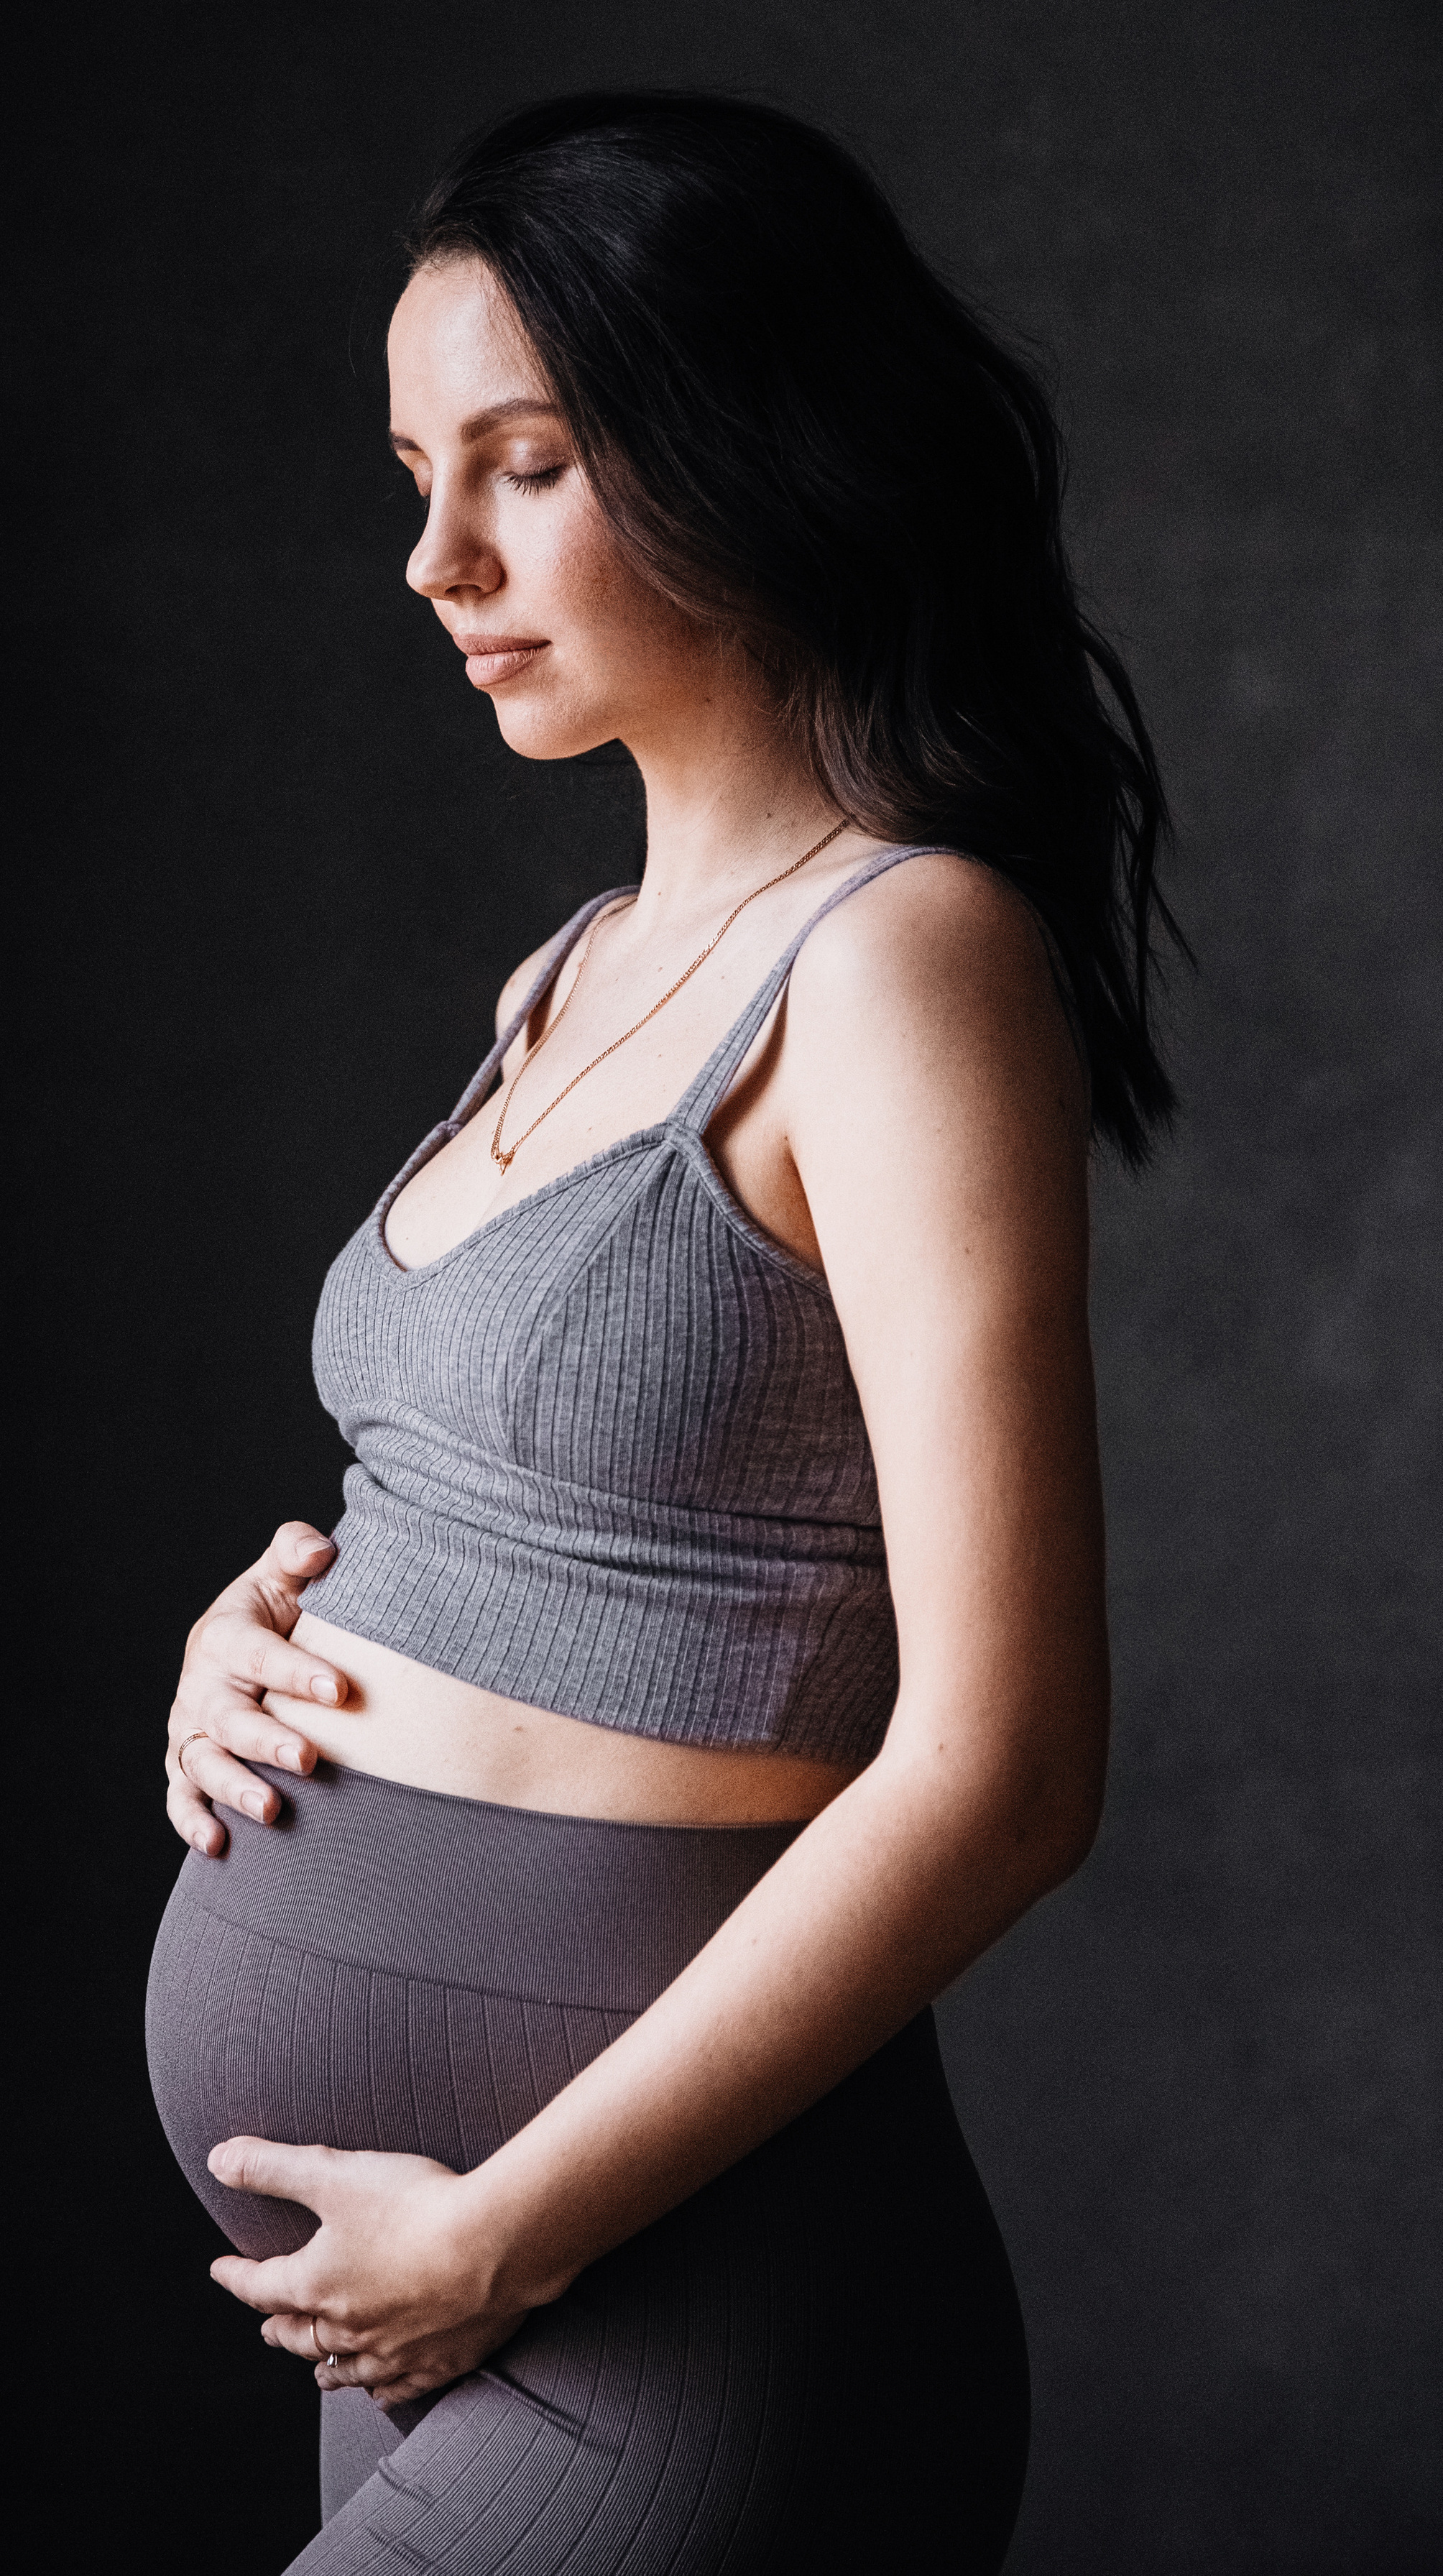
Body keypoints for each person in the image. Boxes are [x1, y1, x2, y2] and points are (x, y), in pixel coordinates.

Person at [146, 90, 1178, 2574]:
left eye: (523, 465)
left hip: (679, 2304)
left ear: (745, 452)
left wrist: (511, 2228)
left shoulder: (904, 961)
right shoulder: (568, 977)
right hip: (419, 2303)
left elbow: (1010, 1765)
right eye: (416, 472)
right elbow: (534, 1509)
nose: (436, 555)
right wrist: (252, 1650)